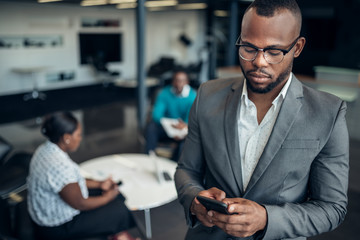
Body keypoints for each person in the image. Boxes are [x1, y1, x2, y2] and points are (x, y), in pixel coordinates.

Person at [174, 0, 349, 239]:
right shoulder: (207, 95)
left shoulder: (328, 112)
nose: (259, 61)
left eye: (274, 51)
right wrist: (195, 199)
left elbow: (332, 208)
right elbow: (187, 170)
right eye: (248, 48)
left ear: (297, 48)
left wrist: (267, 219)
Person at [27, 112, 138, 240]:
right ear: (66, 137)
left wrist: (99, 184)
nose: (80, 138)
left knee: (115, 194)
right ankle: (120, 235)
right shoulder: (59, 165)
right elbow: (80, 203)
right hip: (56, 228)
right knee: (119, 210)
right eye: (78, 135)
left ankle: (118, 234)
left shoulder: (45, 149)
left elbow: (69, 182)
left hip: (44, 212)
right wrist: (108, 197)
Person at [145, 70, 197, 161]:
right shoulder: (164, 93)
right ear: (173, 81)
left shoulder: (193, 96)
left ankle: (175, 163)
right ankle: (149, 156)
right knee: (151, 127)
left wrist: (183, 126)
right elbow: (156, 115)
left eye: (182, 80)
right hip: (166, 126)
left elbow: (191, 118)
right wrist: (170, 126)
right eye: (177, 80)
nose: (179, 83)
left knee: (189, 138)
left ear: (187, 82)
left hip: (183, 129)